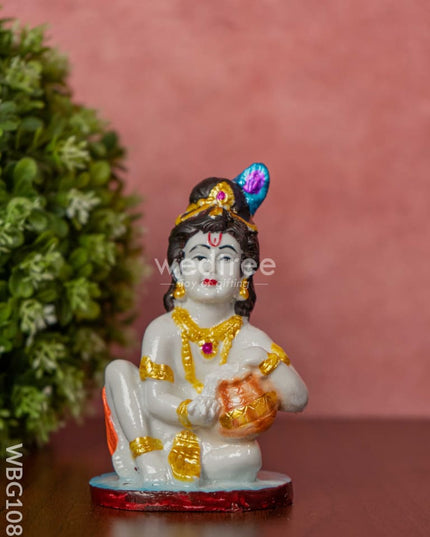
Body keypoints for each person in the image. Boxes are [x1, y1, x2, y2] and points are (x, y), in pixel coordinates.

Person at [103, 163, 308, 487]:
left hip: (215, 443)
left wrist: (261, 360)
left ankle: (177, 474)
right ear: (177, 268)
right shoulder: (163, 330)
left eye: (226, 258)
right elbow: (153, 398)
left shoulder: (246, 337)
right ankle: (146, 460)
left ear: (245, 271)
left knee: (247, 457)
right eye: (199, 257)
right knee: (118, 371)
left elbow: (297, 398)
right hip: (161, 434)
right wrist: (188, 411)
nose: (211, 267)